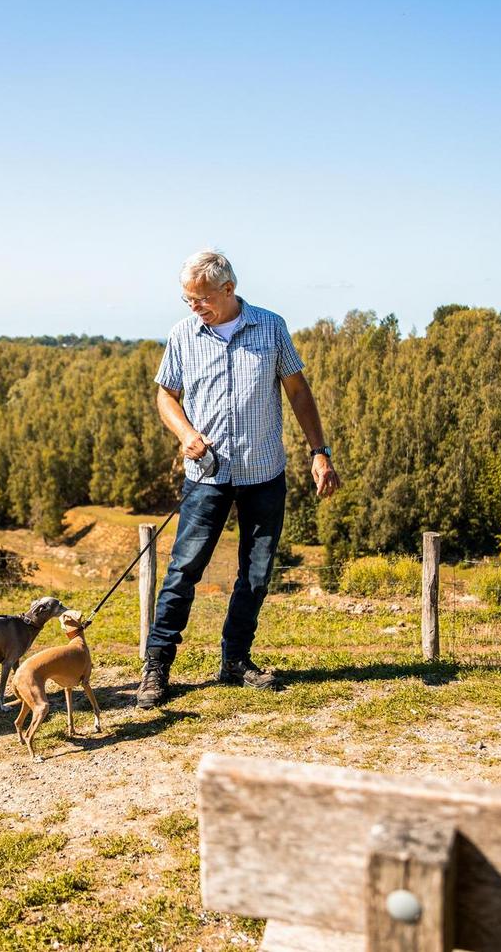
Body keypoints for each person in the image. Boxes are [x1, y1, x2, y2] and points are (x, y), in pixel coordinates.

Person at [136, 251, 341, 709]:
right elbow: (166, 396)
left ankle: (235, 660)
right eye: (188, 300)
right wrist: (186, 434)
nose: (195, 307)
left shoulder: (271, 327)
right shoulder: (182, 335)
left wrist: (319, 452)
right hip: (206, 475)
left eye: (202, 299)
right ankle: (156, 667)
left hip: (263, 472)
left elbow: (298, 392)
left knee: (256, 573)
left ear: (228, 290)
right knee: (184, 570)